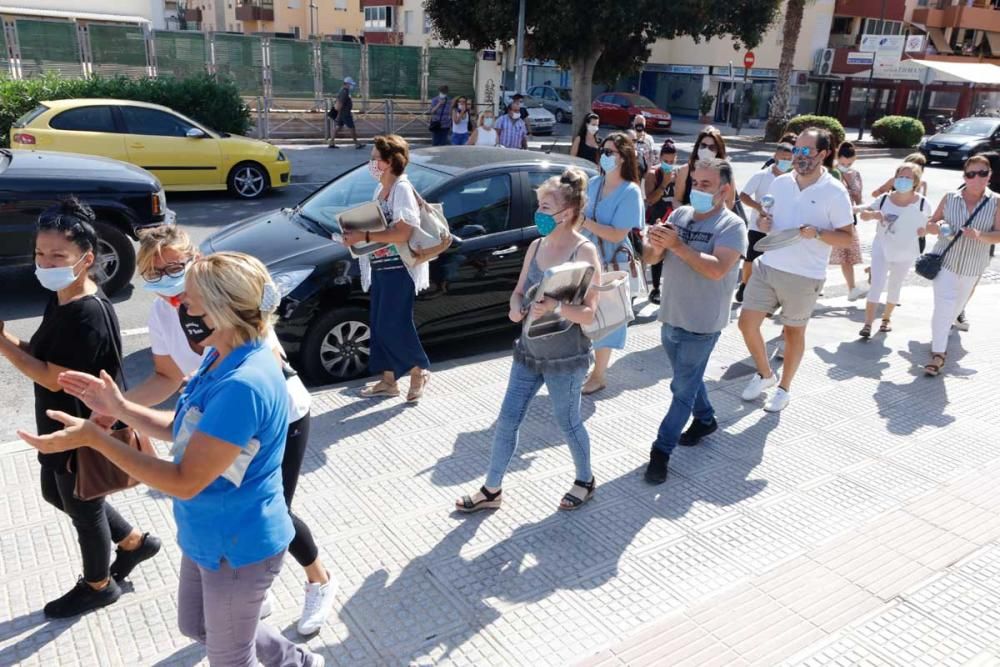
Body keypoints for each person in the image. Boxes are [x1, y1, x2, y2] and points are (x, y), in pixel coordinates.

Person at [20, 252, 326, 666]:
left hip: (238, 544)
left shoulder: (244, 384)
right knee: (196, 625)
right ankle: (295, 661)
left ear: (222, 307)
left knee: (229, 658)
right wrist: (120, 408)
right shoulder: (221, 354)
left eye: (192, 297)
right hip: (207, 534)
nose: (183, 305)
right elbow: (185, 427)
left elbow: (184, 480)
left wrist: (96, 439)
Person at [132, 226, 337, 636]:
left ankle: (319, 580)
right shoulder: (167, 312)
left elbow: (261, 368)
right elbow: (166, 377)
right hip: (212, 413)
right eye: (155, 273)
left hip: (274, 415)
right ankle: (252, 594)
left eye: (175, 265)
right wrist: (118, 408)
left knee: (267, 510)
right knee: (235, 521)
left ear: (192, 258)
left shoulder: (229, 304)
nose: (168, 278)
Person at [0, 198, 160, 618]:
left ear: (86, 258)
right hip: (60, 421)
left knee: (83, 508)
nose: (45, 261)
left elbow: (52, 376)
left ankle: (98, 585)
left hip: (84, 426)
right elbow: (42, 353)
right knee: (57, 493)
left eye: (57, 255)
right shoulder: (63, 296)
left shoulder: (86, 313)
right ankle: (134, 543)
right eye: (39, 253)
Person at [454, 168, 602, 512]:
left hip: (565, 357)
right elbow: (518, 291)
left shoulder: (584, 253)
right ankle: (492, 490)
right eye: (539, 205)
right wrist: (515, 308)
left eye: (546, 207)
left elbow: (589, 314)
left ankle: (585, 480)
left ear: (567, 212)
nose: (538, 214)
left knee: (567, 422)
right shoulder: (536, 245)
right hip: (528, 352)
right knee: (507, 420)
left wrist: (557, 306)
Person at [641, 158, 747, 484]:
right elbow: (650, 258)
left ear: (724, 190)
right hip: (671, 316)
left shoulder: (732, 226)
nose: (698, 190)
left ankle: (661, 450)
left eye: (706, 185)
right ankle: (705, 419)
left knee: (681, 389)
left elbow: (717, 269)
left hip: (702, 325)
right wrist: (655, 245)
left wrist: (678, 245)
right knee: (689, 377)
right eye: (695, 183)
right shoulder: (680, 214)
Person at [738, 128, 854, 413]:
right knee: (746, 324)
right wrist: (765, 224)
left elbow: (846, 237)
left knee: (793, 334)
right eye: (796, 151)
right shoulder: (780, 183)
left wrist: (816, 234)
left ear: (823, 154)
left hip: (804, 276)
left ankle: (784, 388)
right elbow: (770, 218)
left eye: (806, 152)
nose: (799, 158)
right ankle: (766, 374)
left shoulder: (834, 191)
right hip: (768, 266)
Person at [341, 135, 431, 401]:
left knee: (395, 324)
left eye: (374, 159)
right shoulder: (380, 190)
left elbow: (403, 232)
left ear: (390, 161)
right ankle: (389, 380)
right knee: (380, 324)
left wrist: (364, 237)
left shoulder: (401, 189)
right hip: (381, 265)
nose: (371, 163)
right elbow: (378, 225)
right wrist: (356, 232)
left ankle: (419, 370)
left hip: (399, 268)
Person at [923, 154, 1000, 376]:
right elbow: (930, 223)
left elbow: (998, 235)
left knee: (954, 308)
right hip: (946, 262)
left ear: (989, 175)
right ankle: (938, 354)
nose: (977, 178)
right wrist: (938, 227)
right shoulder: (950, 198)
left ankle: (940, 333)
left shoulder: (996, 201)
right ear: (964, 176)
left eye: (982, 173)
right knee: (944, 306)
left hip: (973, 266)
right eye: (971, 174)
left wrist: (979, 235)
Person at [580, 132, 644, 395]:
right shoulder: (593, 184)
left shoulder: (630, 192)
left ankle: (599, 374)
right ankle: (590, 366)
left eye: (610, 152)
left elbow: (618, 233)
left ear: (623, 156)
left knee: (606, 318)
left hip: (612, 263)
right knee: (585, 316)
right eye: (603, 151)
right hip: (587, 260)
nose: (604, 156)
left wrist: (584, 223)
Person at [855, 163, 929, 339]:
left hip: (906, 249)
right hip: (882, 245)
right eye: (900, 177)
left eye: (908, 178)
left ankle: (886, 319)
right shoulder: (884, 199)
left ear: (915, 181)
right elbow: (864, 215)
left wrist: (923, 230)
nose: (903, 181)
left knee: (895, 284)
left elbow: (930, 224)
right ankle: (867, 323)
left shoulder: (923, 203)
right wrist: (873, 215)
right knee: (877, 283)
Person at [736, 142, 794, 303]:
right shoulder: (761, 175)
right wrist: (759, 208)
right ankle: (744, 285)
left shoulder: (792, 179)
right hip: (757, 226)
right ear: (775, 156)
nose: (786, 162)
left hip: (779, 228)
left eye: (789, 159)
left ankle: (770, 292)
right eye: (783, 158)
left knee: (775, 261)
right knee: (751, 258)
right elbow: (744, 196)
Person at [642, 139, 678, 304]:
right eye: (666, 161)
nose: (669, 164)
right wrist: (664, 183)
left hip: (672, 217)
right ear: (660, 158)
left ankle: (670, 289)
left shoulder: (677, 174)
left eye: (671, 161)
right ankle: (655, 288)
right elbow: (650, 199)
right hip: (655, 217)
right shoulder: (653, 174)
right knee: (657, 252)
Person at [831, 142, 868, 302]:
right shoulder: (830, 173)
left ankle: (852, 288)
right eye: (843, 163)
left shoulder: (856, 174)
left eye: (849, 163)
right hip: (830, 219)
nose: (845, 166)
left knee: (847, 255)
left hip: (848, 219)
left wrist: (863, 209)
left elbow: (858, 197)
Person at [674, 126, 736, 209]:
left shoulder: (725, 172)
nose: (706, 150)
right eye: (703, 145)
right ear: (697, 147)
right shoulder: (685, 170)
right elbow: (677, 200)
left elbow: (729, 202)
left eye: (712, 147)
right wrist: (687, 215)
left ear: (718, 151)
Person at [328, 77, 362, 150]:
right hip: (345, 113)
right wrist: (337, 113)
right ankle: (357, 144)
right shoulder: (344, 92)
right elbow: (340, 103)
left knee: (338, 127)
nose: (352, 86)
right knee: (352, 128)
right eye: (351, 84)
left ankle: (331, 142)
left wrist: (338, 114)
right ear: (346, 84)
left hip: (342, 113)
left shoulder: (343, 90)